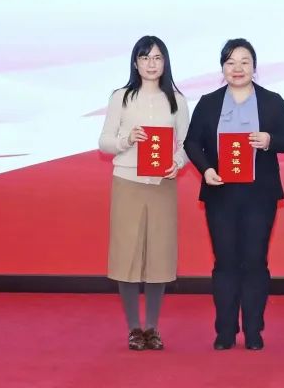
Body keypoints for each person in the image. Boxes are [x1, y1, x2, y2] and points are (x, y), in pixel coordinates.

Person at [184, 38, 284, 351]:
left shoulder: (272, 101)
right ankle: (224, 330)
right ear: (222, 68)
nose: (237, 68)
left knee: (255, 261)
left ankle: (253, 329)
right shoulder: (209, 102)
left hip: (259, 196)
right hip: (220, 194)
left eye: (244, 62)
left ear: (254, 67)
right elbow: (192, 142)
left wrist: (269, 140)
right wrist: (206, 169)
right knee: (225, 262)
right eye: (231, 62)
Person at [98, 35, 189, 351]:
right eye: (145, 57)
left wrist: (177, 163)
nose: (151, 63)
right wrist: (126, 139)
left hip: (162, 185)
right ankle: (133, 328)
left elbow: (185, 144)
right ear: (135, 63)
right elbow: (104, 141)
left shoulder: (177, 100)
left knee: (158, 256)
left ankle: (152, 327)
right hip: (127, 182)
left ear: (165, 63)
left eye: (157, 57)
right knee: (127, 254)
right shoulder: (121, 97)